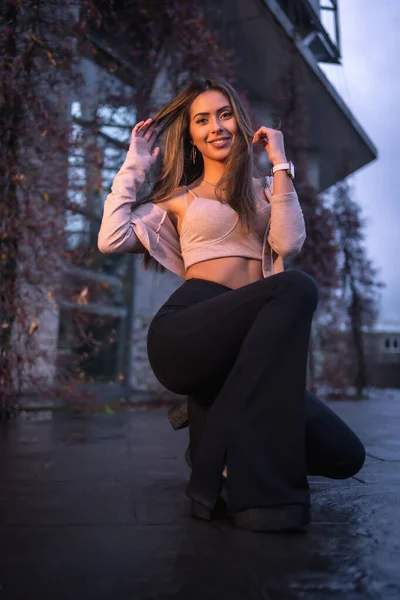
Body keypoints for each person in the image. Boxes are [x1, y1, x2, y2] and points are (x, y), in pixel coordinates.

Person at [98, 77, 366, 533]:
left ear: (241, 125)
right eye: (202, 120)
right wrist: (134, 166)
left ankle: (213, 428)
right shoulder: (179, 199)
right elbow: (111, 238)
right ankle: (253, 488)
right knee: (297, 288)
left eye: (224, 114)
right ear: (192, 136)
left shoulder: (264, 189)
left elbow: (289, 241)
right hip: (190, 327)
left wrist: (281, 164)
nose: (215, 126)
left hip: (251, 337)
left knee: (345, 454)